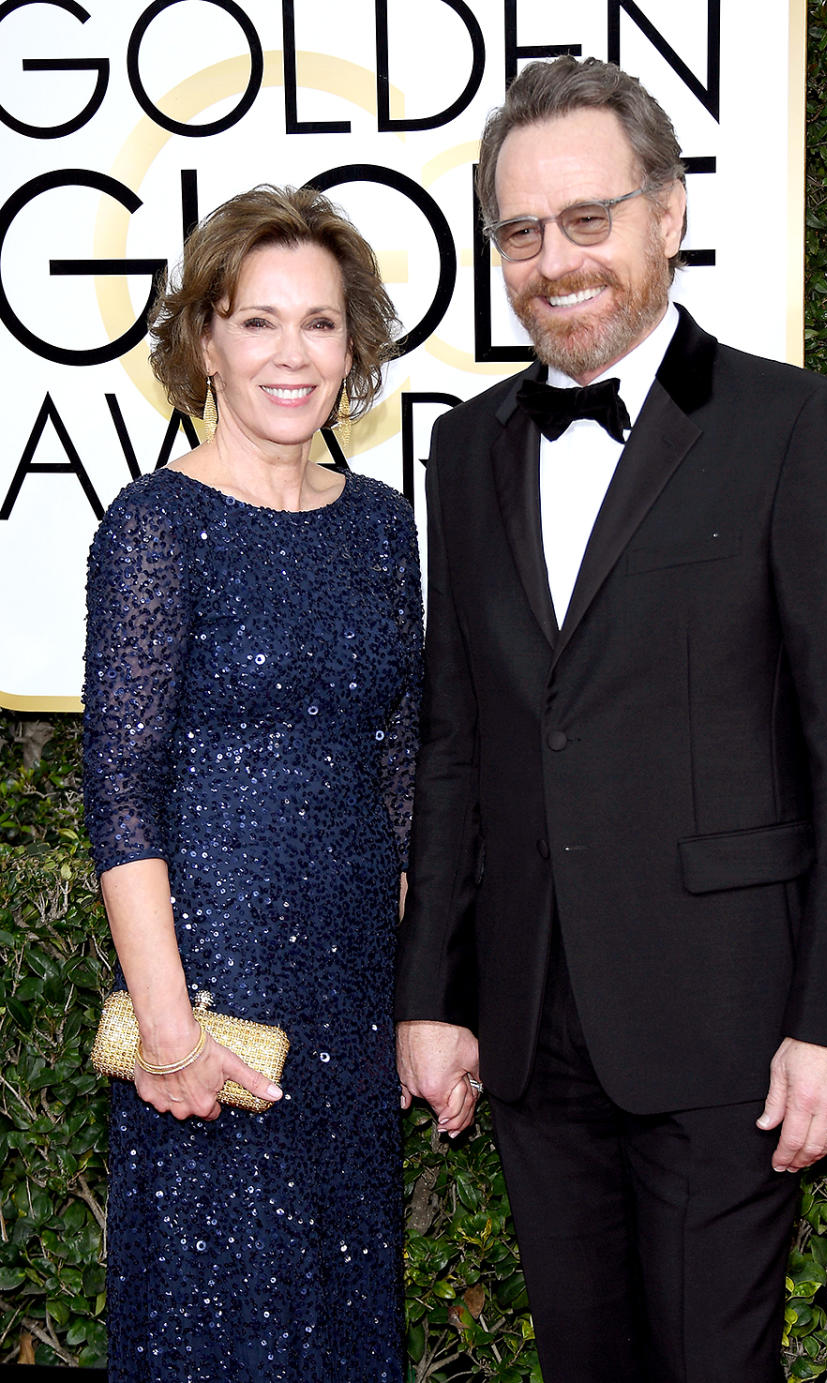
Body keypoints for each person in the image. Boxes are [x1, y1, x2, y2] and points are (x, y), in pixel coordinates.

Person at [395, 56, 827, 1383]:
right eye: (520, 231)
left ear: (668, 213)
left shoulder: (797, 427)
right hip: (528, 1026)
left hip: (730, 1023)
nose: (553, 260)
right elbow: (459, 744)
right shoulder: (466, 453)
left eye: (587, 219)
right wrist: (435, 995)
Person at [83, 184, 421, 1382]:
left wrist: (415, 996)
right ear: (206, 342)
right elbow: (118, 790)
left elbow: (399, 777)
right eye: (258, 320)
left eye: (320, 323)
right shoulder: (155, 525)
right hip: (213, 1002)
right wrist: (168, 1030)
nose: (292, 353)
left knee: (341, 1312)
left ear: (354, 346)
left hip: (350, 998)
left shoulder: (382, 527)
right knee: (220, 1319)